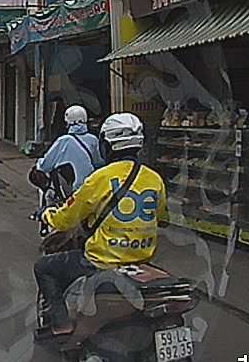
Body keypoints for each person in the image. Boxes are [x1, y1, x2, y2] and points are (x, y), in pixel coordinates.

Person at [33, 112, 166, 337]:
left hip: (103, 259)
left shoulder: (100, 178)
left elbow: (66, 218)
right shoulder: (154, 179)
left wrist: (46, 215)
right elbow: (159, 215)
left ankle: (62, 326)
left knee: (44, 268)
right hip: (142, 258)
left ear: (107, 145)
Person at [36, 105, 102, 204]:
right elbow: (99, 162)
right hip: (90, 187)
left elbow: (46, 165)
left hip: (71, 191)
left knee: (49, 197)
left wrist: (39, 163)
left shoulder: (63, 141)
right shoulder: (93, 139)